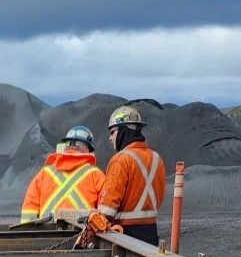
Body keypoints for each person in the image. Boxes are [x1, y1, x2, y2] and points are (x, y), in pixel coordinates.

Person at [94, 105, 166, 245]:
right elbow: (160, 198)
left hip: (125, 236)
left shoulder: (121, 159)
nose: (110, 138)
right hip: (151, 234)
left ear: (123, 131)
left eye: (113, 132)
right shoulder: (157, 159)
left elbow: (107, 209)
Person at [19, 126, 104, 223]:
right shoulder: (96, 175)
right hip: (83, 236)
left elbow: (28, 212)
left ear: (65, 147)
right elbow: (106, 211)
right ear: (85, 149)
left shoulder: (44, 174)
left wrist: (29, 235)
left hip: (46, 235)